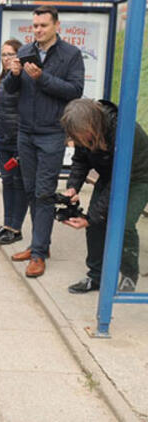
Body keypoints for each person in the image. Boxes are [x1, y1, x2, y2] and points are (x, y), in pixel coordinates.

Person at [3, 5, 85, 277]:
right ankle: (40, 244)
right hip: (25, 132)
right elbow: (10, 90)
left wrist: (42, 78)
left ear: (56, 26)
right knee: (29, 190)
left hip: (52, 133)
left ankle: (38, 254)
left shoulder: (70, 55)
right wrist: (14, 75)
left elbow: (75, 91)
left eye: (43, 26)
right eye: (35, 25)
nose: (38, 30)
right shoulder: (25, 51)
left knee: (43, 192)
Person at [59, 99, 148, 294]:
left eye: (81, 136)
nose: (78, 140)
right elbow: (80, 161)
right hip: (110, 176)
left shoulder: (124, 132)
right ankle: (95, 276)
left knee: (123, 223)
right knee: (96, 224)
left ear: (92, 124)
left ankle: (129, 274)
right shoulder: (83, 130)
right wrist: (73, 187)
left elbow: (119, 181)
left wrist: (91, 218)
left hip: (139, 177)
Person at [0, 39, 27, 245]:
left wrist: (22, 140)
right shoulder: (2, 78)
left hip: (17, 139)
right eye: (3, 55)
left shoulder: (23, 78)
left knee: (18, 183)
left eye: (11, 54)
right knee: (7, 182)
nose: (6, 58)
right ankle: (7, 224)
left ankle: (16, 228)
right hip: (1, 138)